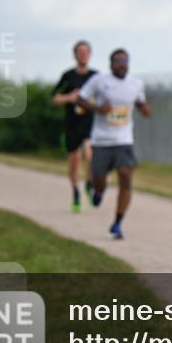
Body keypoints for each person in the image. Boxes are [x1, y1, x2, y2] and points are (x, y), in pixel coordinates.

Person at [75, 48, 152, 240]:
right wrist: (98, 109)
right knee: (99, 179)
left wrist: (144, 109)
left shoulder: (136, 84)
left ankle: (117, 224)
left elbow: (139, 102)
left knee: (126, 176)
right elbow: (80, 99)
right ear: (111, 64)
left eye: (125, 61)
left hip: (124, 140)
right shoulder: (99, 81)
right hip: (101, 141)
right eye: (118, 61)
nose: (122, 64)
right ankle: (98, 189)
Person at [51, 40, 97, 213]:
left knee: (90, 155)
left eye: (86, 52)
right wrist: (69, 98)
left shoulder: (96, 76)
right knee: (75, 161)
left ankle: (89, 184)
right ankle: (76, 192)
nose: (83, 55)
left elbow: (103, 96)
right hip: (71, 125)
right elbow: (55, 97)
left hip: (89, 124)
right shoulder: (68, 76)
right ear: (75, 55)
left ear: (90, 54)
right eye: (80, 52)